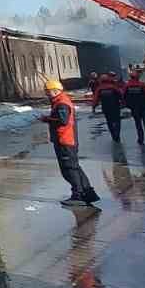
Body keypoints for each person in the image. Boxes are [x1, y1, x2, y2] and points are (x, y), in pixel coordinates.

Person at [40, 79, 99, 208]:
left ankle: (78, 195)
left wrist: (47, 119)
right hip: (68, 140)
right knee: (75, 167)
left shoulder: (61, 103)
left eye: (47, 92)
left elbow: (63, 120)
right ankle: (88, 192)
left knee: (69, 169)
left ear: (55, 91)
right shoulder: (60, 101)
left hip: (65, 141)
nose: (46, 94)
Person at [122, 72, 145, 144]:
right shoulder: (141, 85)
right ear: (137, 77)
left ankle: (140, 138)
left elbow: (123, 96)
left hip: (134, 107)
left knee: (138, 123)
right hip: (144, 106)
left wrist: (126, 105)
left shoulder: (127, 86)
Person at [93, 74, 125, 144]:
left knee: (109, 122)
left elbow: (95, 99)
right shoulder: (113, 87)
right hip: (115, 107)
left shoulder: (99, 89)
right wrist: (123, 103)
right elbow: (121, 95)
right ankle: (117, 135)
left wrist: (94, 107)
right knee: (117, 121)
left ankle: (113, 136)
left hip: (106, 108)